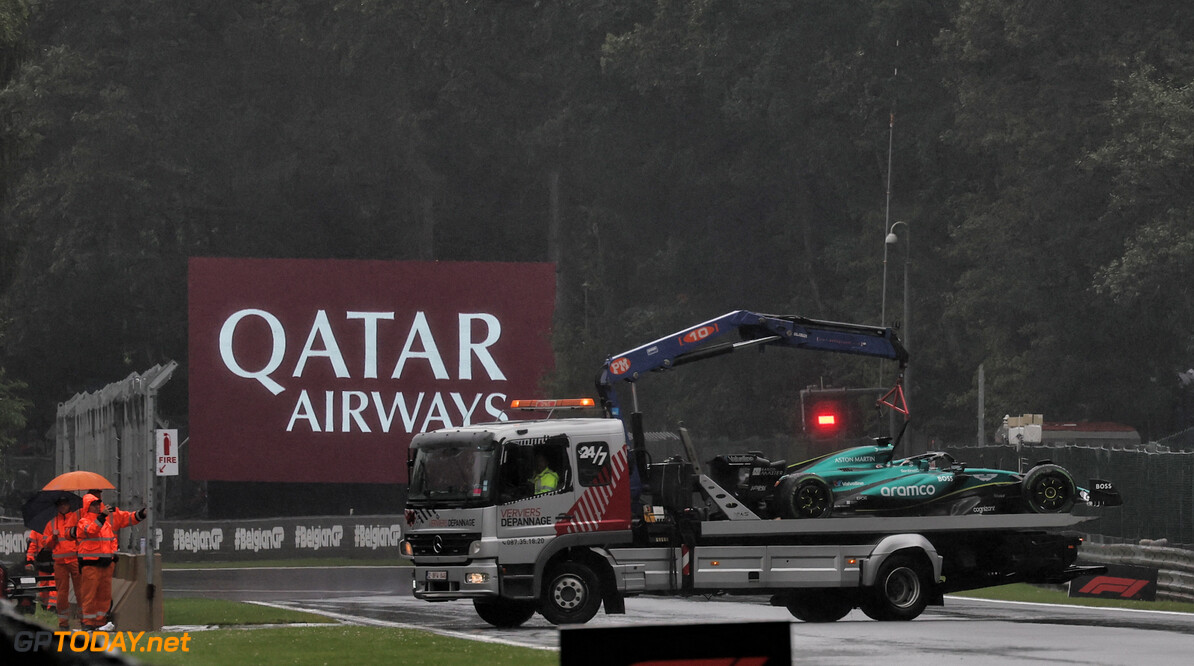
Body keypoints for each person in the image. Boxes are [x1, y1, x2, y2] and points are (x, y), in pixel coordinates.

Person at [76, 493, 146, 632]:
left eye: (98, 503)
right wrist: (102, 516)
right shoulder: (83, 522)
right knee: (90, 595)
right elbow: (92, 531)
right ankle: (88, 622)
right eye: (94, 504)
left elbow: (111, 540)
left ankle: (100, 622)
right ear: (87, 507)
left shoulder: (106, 523)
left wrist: (112, 556)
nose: (97, 506)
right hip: (90, 564)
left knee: (104, 596)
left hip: (105, 565)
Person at [43, 495, 83, 629]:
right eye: (60, 504)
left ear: (69, 505)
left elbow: (83, 537)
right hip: (60, 562)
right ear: (57, 506)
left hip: (75, 560)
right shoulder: (52, 523)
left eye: (65, 504)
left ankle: (84, 619)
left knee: (80, 592)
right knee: (62, 593)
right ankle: (63, 623)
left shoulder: (77, 520)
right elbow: (46, 545)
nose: (63, 506)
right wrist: (52, 537)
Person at [24, 528, 56, 612]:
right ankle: (46, 606)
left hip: (54, 562)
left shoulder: (56, 527)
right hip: (44, 563)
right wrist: (29, 561)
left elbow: (31, 548)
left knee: (53, 584)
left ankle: (52, 606)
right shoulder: (36, 531)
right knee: (45, 585)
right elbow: (31, 547)